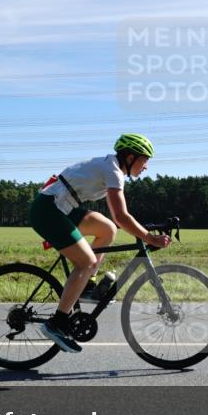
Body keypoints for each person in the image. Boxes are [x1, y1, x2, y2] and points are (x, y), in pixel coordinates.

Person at [28, 133, 171, 353]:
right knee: (86, 262)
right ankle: (56, 323)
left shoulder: (111, 167)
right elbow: (121, 216)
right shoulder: (112, 170)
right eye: (145, 159)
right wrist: (149, 238)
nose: (146, 166)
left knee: (107, 229)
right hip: (49, 209)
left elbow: (118, 221)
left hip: (63, 207)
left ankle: (86, 285)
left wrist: (145, 231)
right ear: (131, 157)